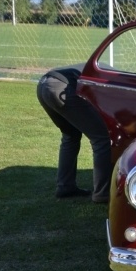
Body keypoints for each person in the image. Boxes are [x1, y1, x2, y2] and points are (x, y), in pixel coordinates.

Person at [36, 64, 111, 203]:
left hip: (43, 85)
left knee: (71, 135)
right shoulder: (109, 75)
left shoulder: (100, 68)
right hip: (61, 87)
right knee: (102, 138)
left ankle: (65, 186)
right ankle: (103, 193)